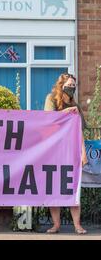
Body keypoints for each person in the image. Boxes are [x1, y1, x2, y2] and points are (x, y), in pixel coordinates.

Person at [44, 73, 88, 235]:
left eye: (73, 85)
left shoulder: (75, 104)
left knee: (73, 187)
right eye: (69, 84)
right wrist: (68, 112)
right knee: (53, 187)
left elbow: (81, 128)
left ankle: (77, 225)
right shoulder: (51, 99)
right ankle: (56, 225)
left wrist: (83, 153)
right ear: (61, 85)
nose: (72, 88)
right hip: (53, 149)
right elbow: (48, 119)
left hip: (71, 150)